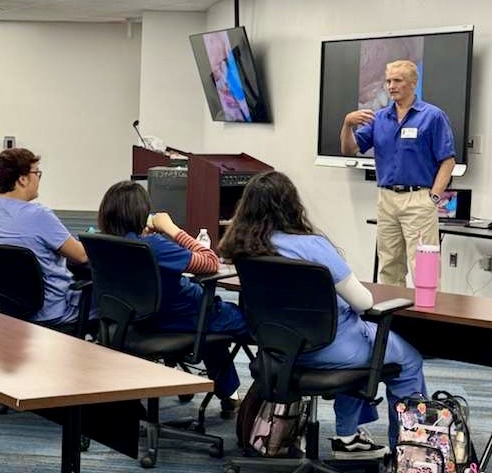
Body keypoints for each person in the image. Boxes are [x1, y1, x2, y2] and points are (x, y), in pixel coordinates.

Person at [219, 170, 427, 456]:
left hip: (278, 352)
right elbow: (364, 302)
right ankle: (411, 454)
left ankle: (349, 438)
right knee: (407, 360)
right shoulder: (312, 246)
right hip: (331, 349)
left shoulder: (245, 250)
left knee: (361, 342)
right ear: (291, 205)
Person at [97, 180, 248, 418]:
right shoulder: (154, 246)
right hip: (183, 316)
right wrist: (172, 229)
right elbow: (210, 261)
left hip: (136, 321)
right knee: (247, 322)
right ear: (141, 214)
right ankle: (262, 402)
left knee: (210, 327)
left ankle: (229, 393)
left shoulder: (103, 243)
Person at [340, 60, 456, 286]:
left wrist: (433, 198)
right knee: (389, 265)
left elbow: (448, 161)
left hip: (419, 198)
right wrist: (346, 125)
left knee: (424, 267)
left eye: (397, 80)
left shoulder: (432, 116)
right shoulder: (379, 118)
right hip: (387, 198)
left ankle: (428, 319)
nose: (391, 86)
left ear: (413, 83)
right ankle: (393, 320)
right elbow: (349, 149)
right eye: (388, 81)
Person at [0, 147, 93, 334]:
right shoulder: (39, 215)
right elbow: (81, 256)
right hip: (50, 313)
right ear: (23, 179)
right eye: (37, 173)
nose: (38, 179)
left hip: (7, 314)